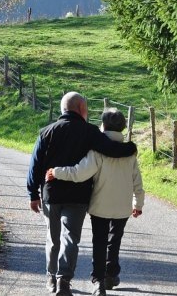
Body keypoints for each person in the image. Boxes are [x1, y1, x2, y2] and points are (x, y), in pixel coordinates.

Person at [27, 92, 137, 296]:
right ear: (81, 109)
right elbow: (111, 149)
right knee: (70, 238)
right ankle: (64, 281)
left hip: (50, 194)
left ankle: (51, 277)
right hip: (78, 197)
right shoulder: (90, 132)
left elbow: (35, 165)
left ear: (63, 109)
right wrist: (131, 148)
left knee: (53, 237)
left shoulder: (46, 132)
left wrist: (33, 193)